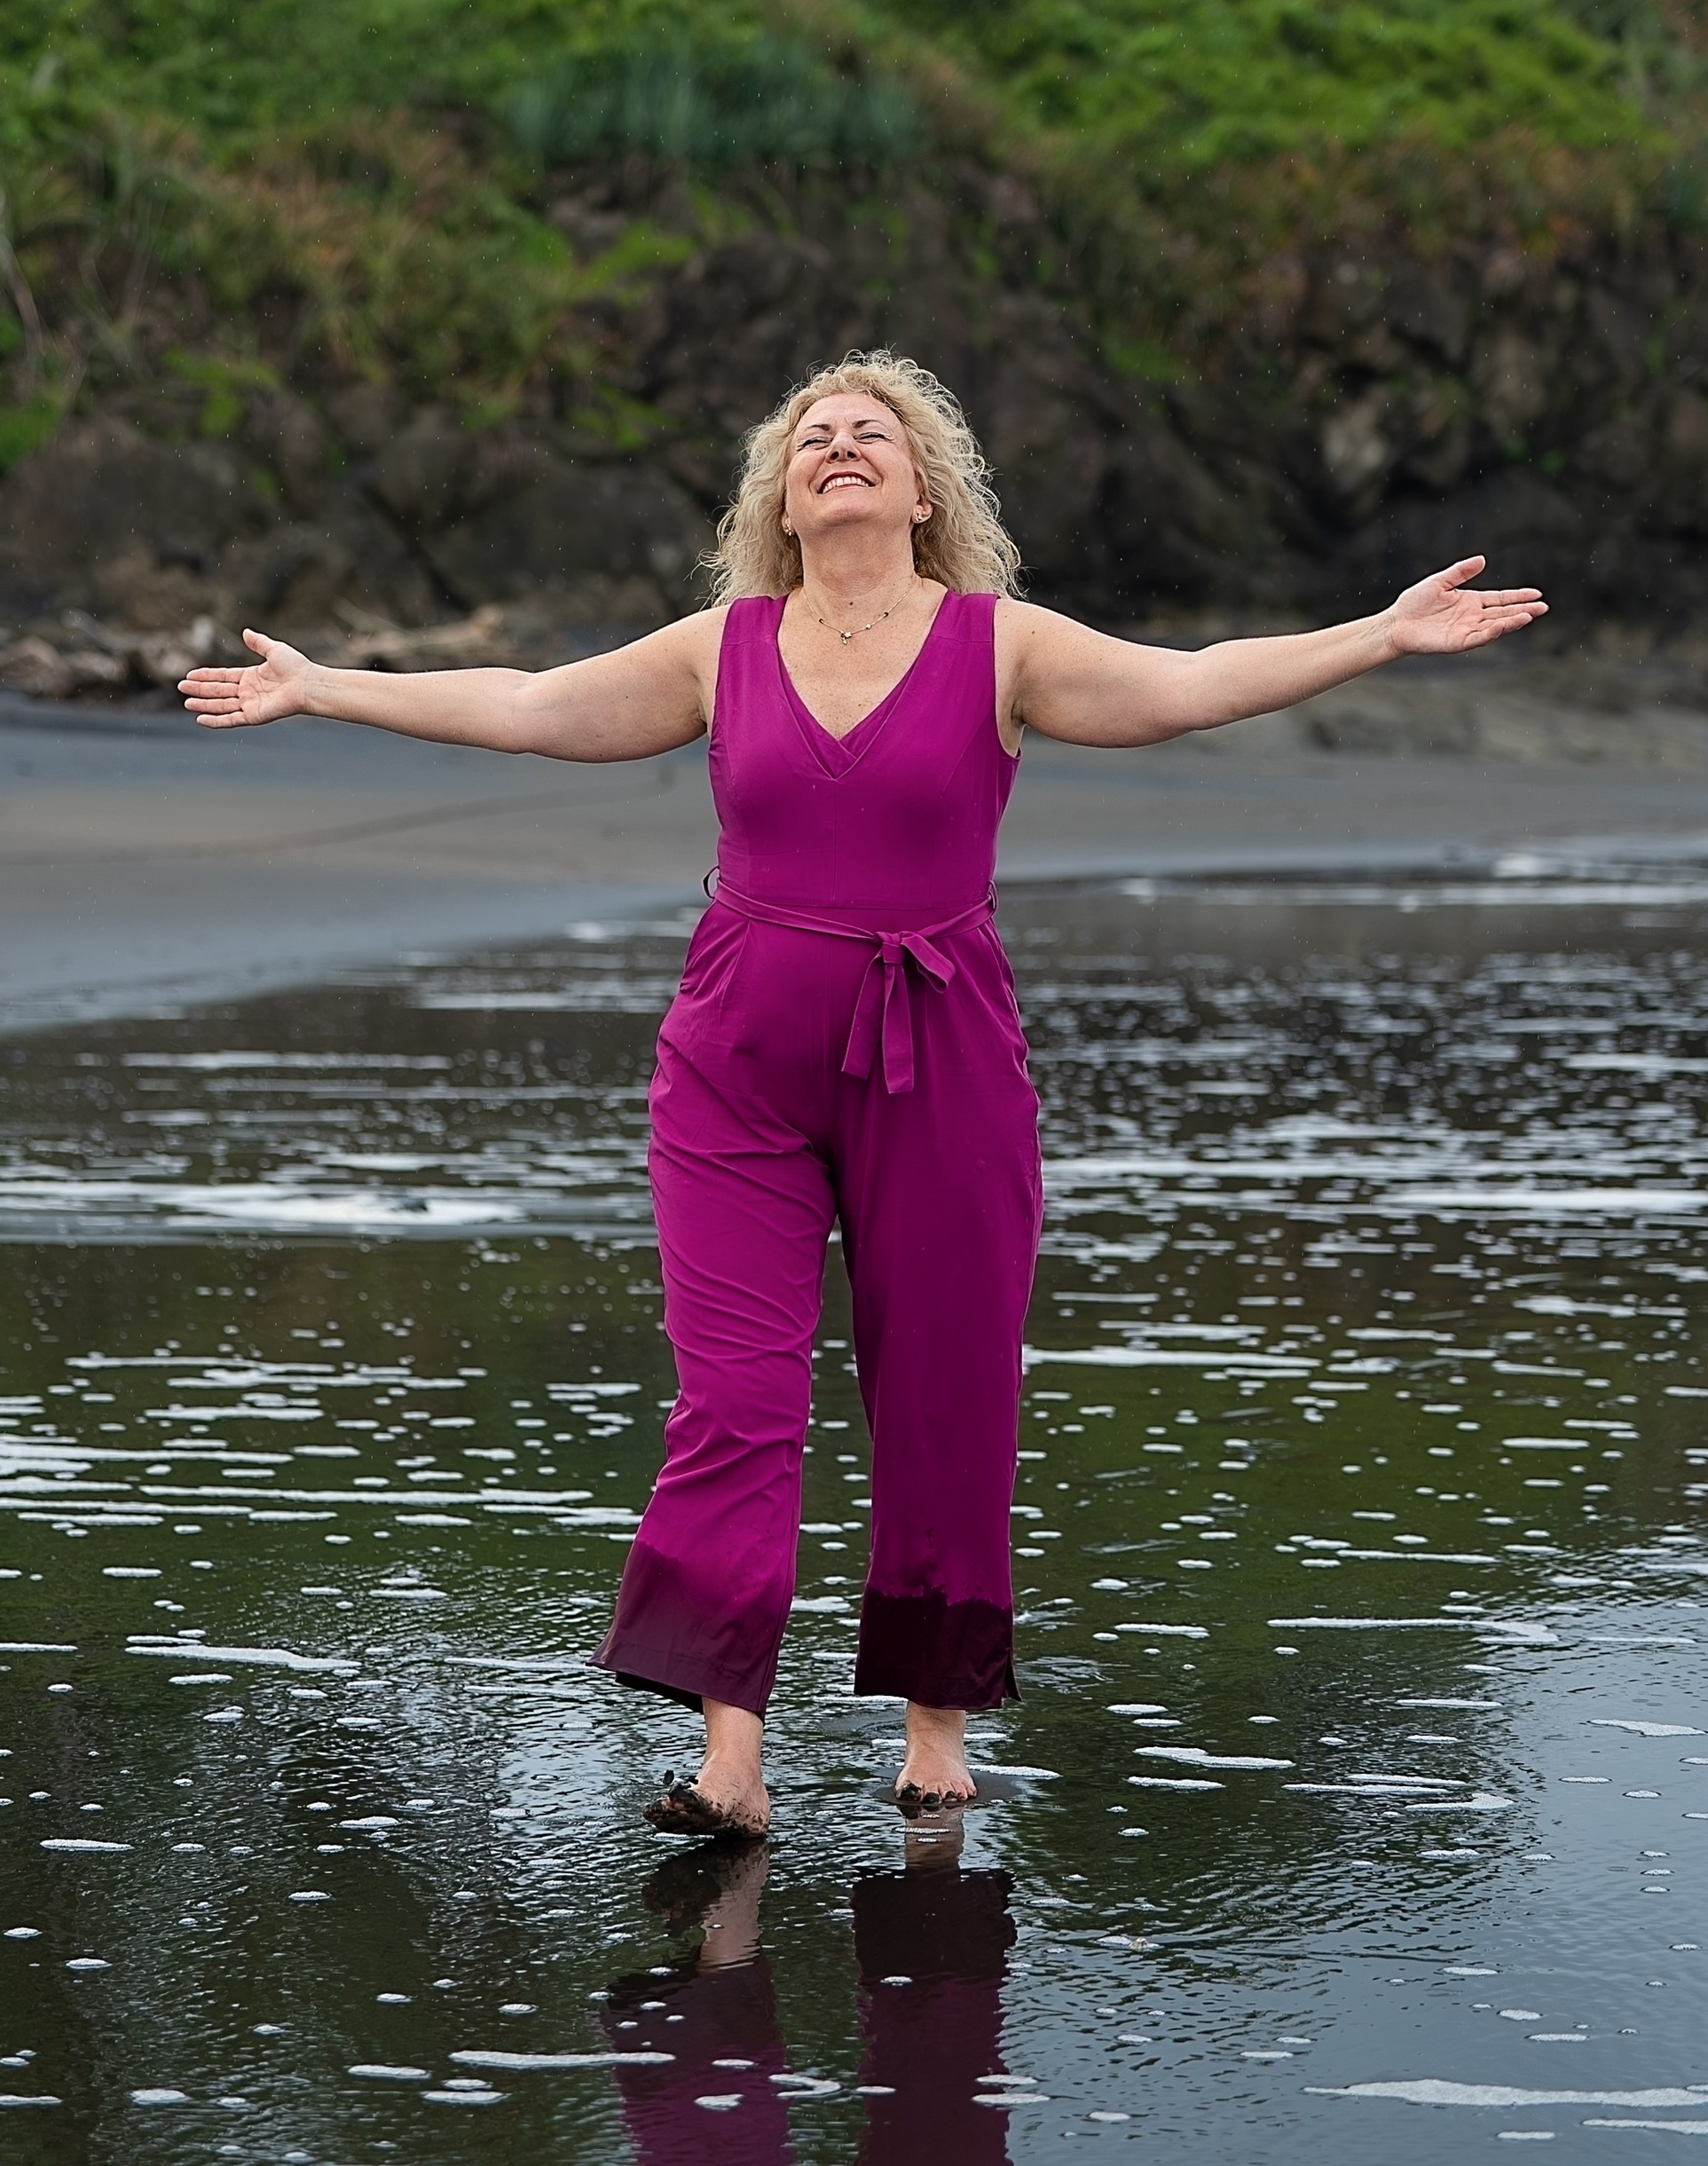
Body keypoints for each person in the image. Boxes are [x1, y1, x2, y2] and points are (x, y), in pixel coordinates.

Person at [179, 348, 1545, 1839]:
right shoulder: (725, 645)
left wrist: (1382, 634)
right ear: (780, 488)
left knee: (945, 1394)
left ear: (921, 485)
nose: (839, 447)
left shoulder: (998, 642)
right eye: (812, 435)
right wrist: (325, 688)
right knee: (737, 1398)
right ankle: (730, 1753)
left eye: (871, 435)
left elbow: (1190, 684)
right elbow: (529, 703)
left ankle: (934, 1728)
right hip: (735, 1064)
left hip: (944, 1060)